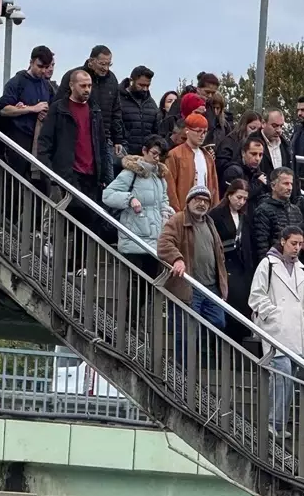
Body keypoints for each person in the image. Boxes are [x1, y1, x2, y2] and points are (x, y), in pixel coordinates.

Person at [249, 224, 304, 439]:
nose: (297, 248)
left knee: (289, 378)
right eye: (293, 243)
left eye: (300, 244)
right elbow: (256, 296)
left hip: (296, 332)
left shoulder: (301, 269)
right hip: (276, 330)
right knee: (281, 374)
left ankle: (279, 423)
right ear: (283, 241)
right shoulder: (267, 264)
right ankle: (271, 421)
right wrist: (273, 313)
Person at [37, 68, 113, 236]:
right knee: (67, 217)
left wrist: (104, 176)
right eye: (83, 85)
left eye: (89, 86)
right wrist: (49, 172)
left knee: (90, 222)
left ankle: (79, 261)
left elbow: (101, 143)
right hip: (67, 173)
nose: (87, 90)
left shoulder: (95, 110)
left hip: (92, 176)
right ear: (71, 85)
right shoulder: (59, 109)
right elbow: (45, 142)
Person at [156, 185, 229, 330]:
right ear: (188, 201)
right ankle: (185, 354)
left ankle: (202, 353)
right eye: (197, 199)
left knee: (218, 323)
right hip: (189, 287)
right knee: (185, 329)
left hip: (211, 287)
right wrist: (177, 259)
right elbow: (164, 243)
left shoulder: (210, 222)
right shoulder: (178, 219)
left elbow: (219, 253)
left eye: (205, 201)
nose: (202, 204)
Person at [101, 134, 171, 277]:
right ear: (144, 150)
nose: (157, 158)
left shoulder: (160, 178)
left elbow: (163, 201)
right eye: (154, 153)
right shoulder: (130, 174)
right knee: (136, 288)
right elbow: (107, 195)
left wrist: (167, 213)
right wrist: (130, 199)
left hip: (154, 240)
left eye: (160, 155)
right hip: (134, 239)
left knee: (149, 286)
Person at [0, 45, 55, 180]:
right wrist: (31, 109)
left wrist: (45, 114)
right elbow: (3, 109)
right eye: (40, 66)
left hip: (38, 140)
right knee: (15, 182)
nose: (43, 71)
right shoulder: (17, 82)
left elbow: (52, 110)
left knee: (39, 183)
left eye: (46, 67)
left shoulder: (47, 86)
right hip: (18, 137)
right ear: (31, 62)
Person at [58, 45, 124, 157]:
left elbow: (116, 110)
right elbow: (59, 105)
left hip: (104, 137)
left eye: (109, 64)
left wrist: (118, 138)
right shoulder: (73, 76)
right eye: (102, 64)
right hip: (77, 136)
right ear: (91, 61)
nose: (106, 68)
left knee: (106, 173)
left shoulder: (112, 80)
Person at [209, 178, 255, 341]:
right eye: (238, 197)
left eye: (244, 198)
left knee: (242, 310)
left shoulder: (246, 217)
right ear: (229, 195)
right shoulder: (215, 215)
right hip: (226, 267)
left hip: (243, 270)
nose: (241, 202)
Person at [165, 113, 219, 212]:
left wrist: (214, 213)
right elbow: (170, 188)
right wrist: (177, 213)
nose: (202, 135)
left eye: (205, 132)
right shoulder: (174, 154)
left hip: (205, 212)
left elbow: (214, 188)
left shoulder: (207, 157)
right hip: (183, 212)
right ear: (187, 131)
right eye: (198, 131)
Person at [250, 167, 303, 259]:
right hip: (273, 263)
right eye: (286, 183)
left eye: (291, 184)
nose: (290, 188)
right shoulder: (263, 211)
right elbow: (261, 246)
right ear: (273, 186)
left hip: (294, 263)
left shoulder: (296, 211)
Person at [118, 66, 161, 156]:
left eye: (147, 86)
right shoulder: (117, 99)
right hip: (123, 154)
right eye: (141, 85)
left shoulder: (151, 104)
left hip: (144, 156)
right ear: (131, 81)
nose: (145, 89)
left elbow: (156, 132)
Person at [223, 135, 270, 208]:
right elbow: (234, 199)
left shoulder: (258, 173)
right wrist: (258, 183)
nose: (257, 158)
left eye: (260, 155)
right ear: (243, 153)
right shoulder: (233, 171)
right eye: (253, 154)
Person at [215, 110, 262, 182]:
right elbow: (221, 166)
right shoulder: (229, 142)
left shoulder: (257, 144)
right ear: (244, 125)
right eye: (252, 128)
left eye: (258, 129)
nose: (255, 132)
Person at [258, 109, 293, 181]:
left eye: (281, 126)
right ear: (263, 123)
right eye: (274, 126)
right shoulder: (251, 143)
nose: (279, 130)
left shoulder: (286, 146)